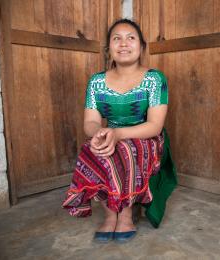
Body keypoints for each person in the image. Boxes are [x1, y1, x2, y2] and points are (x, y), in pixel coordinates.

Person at [62, 18, 177, 243]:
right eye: (117, 39)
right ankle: (109, 213)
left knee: (124, 149)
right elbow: (91, 122)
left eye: (130, 38)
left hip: (145, 136)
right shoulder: (96, 82)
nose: (123, 44)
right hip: (111, 132)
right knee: (91, 149)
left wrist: (118, 135)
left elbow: (155, 126)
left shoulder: (154, 79)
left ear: (142, 47)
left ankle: (124, 213)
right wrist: (100, 134)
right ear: (109, 49)